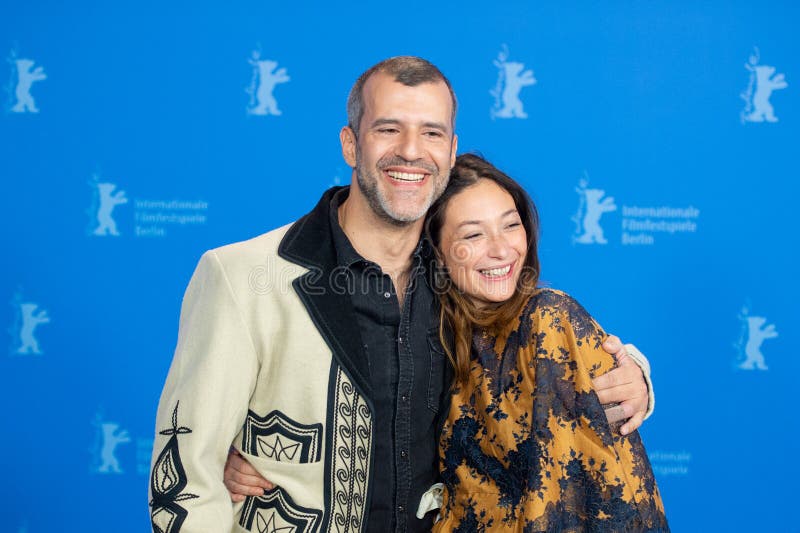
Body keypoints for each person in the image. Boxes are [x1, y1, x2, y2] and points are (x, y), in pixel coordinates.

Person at [150, 56, 653, 533]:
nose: (411, 150)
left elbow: (536, 344)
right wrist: (233, 457)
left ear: (451, 151)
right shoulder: (242, 276)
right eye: (389, 128)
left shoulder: (464, 276)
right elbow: (185, 481)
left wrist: (632, 374)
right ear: (351, 144)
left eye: (431, 132)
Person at [424, 153, 668, 531]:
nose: (502, 249)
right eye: (473, 234)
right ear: (436, 249)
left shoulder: (549, 318)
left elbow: (611, 492)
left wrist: (634, 375)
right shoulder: (424, 331)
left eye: (510, 225)